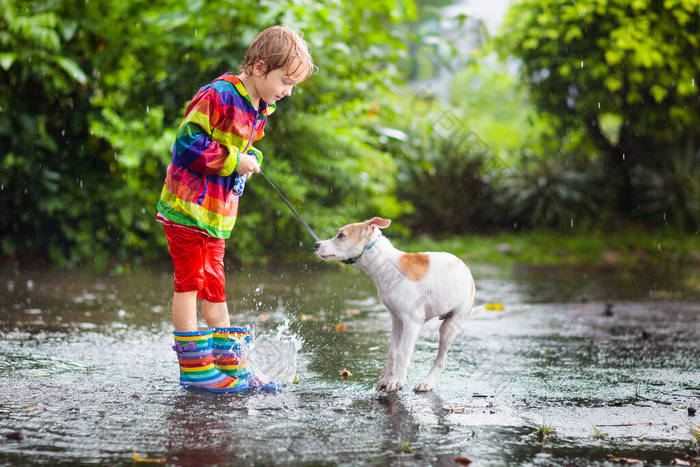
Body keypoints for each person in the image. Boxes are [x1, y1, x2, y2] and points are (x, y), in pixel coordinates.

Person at [156, 25, 314, 392]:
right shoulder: (220, 95)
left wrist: (250, 159)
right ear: (259, 67)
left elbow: (245, 144)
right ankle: (195, 370)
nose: (287, 92)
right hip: (187, 209)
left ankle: (232, 367)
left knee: (216, 287)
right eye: (285, 82)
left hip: (216, 215)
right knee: (190, 283)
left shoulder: (261, 105)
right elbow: (186, 144)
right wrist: (234, 161)